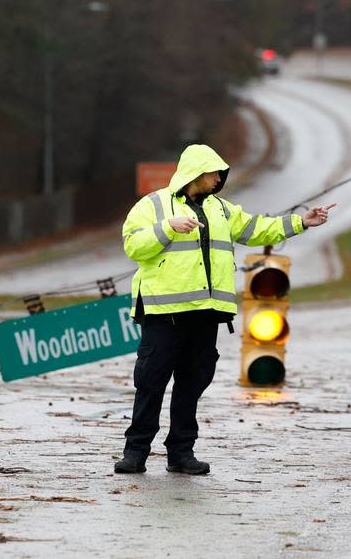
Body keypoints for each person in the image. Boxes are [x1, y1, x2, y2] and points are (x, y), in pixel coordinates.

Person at [115, 144, 335, 474]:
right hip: (163, 312)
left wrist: (301, 223)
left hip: (206, 312)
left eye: (221, 174)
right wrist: (167, 228)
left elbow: (258, 228)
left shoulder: (222, 210)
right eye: (214, 173)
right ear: (196, 173)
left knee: (192, 384)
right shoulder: (153, 205)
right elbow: (133, 246)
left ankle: (181, 453)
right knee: (151, 382)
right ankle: (135, 453)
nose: (219, 178)